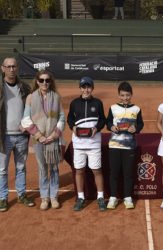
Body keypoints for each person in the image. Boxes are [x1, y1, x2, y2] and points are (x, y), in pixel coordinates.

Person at [21, 70, 65, 210]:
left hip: (53, 139)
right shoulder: (30, 97)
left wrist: (53, 135)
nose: (44, 83)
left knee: (53, 168)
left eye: (47, 80)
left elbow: (62, 118)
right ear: (37, 81)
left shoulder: (56, 97)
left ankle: (54, 196)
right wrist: (39, 136)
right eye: (41, 80)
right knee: (42, 168)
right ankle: (45, 197)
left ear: (51, 82)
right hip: (37, 139)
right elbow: (26, 119)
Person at [0, 57, 35, 212]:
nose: (11, 69)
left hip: (21, 136)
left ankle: (21, 195)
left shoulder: (25, 88)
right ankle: (3, 198)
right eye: (8, 67)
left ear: (18, 67)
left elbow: (33, 110)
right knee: (2, 170)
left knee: (21, 167)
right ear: (3, 68)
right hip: (3, 136)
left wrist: (27, 126)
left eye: (14, 66)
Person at [67, 76, 106, 211]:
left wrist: (97, 128)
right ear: (80, 88)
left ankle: (100, 197)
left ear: (92, 88)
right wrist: (73, 127)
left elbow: (102, 119)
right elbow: (70, 118)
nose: (86, 89)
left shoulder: (98, 103)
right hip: (78, 144)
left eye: (88, 87)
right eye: (83, 87)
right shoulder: (74, 103)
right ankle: (81, 197)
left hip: (94, 143)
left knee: (96, 170)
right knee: (79, 170)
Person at [106, 81, 144, 209]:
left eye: (127, 95)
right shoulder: (113, 108)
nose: (125, 98)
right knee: (114, 173)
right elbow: (108, 123)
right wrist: (111, 127)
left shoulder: (136, 109)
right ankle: (113, 198)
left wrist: (136, 129)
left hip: (129, 146)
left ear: (131, 95)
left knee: (128, 173)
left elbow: (140, 124)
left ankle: (128, 197)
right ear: (119, 95)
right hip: (114, 146)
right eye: (122, 95)